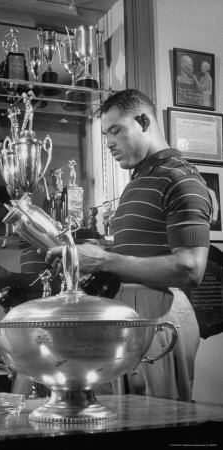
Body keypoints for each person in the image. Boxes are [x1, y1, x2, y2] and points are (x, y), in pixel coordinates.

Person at [45, 89, 213, 402]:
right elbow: (139, 254)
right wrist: (90, 257)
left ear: (143, 121)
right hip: (129, 312)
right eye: (105, 134)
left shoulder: (180, 178)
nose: (108, 143)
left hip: (160, 313)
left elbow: (190, 269)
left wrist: (103, 260)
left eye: (115, 130)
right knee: (125, 421)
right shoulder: (140, 180)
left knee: (158, 426)